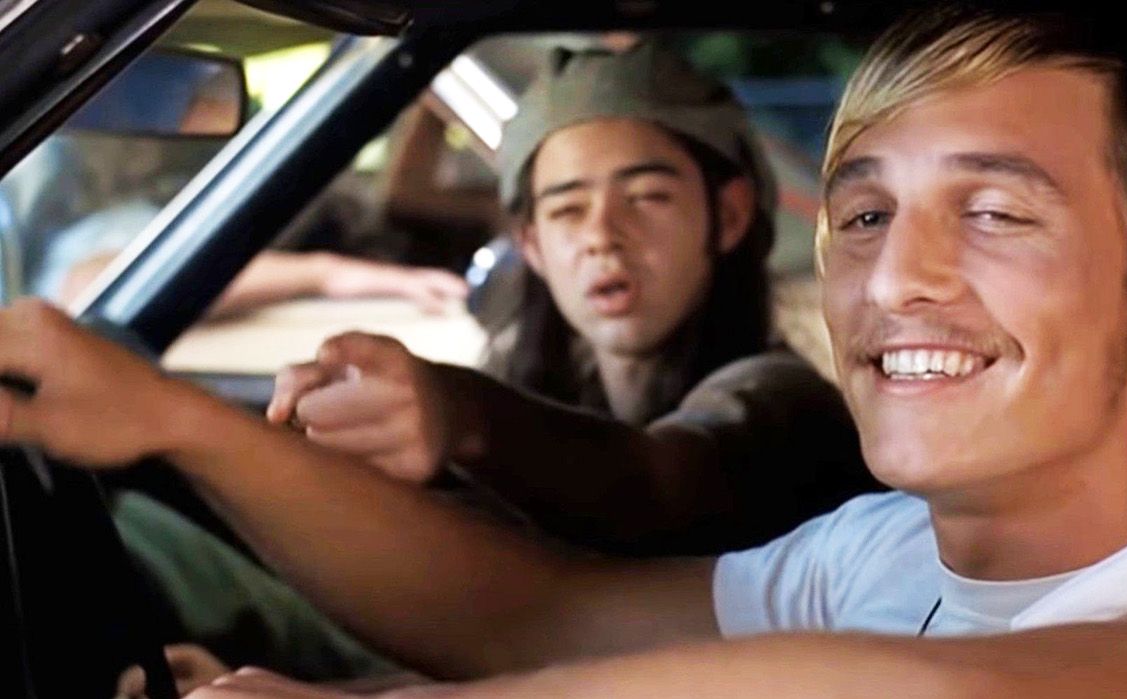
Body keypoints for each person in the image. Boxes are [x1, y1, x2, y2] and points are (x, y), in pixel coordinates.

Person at [0, 4, 1127, 698]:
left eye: (998, 211)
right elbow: (531, 620)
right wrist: (181, 426)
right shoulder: (885, 549)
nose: (892, 276)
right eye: (863, 213)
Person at [264, 41, 876, 554]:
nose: (601, 238)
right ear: (531, 244)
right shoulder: (540, 380)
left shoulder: (783, 402)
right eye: (566, 209)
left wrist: (463, 415)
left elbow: (659, 484)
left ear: (730, 214)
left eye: (645, 199)